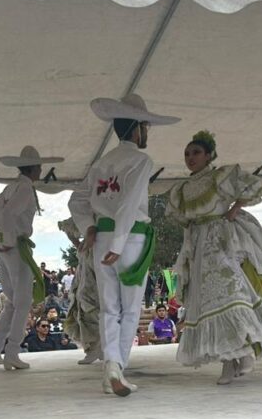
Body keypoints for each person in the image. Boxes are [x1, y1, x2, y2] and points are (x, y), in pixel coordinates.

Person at [167, 131, 262, 383]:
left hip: (223, 241)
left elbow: (255, 185)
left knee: (234, 293)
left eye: (196, 152)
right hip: (199, 246)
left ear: (209, 155)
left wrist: (235, 207)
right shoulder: (182, 189)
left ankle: (245, 351)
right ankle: (227, 362)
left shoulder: (221, 176)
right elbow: (181, 218)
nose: (191, 157)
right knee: (210, 303)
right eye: (187, 154)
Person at [68, 93, 179, 396]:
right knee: (129, 309)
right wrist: (119, 240)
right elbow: (129, 203)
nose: (147, 132)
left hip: (102, 238)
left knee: (109, 308)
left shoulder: (101, 163)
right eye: (145, 126)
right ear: (136, 129)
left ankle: (111, 368)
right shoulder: (141, 160)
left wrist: (89, 227)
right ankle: (117, 368)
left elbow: (76, 200)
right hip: (129, 237)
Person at [0, 145, 63, 371]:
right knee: (23, 300)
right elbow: (6, 215)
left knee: (13, 300)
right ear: (35, 168)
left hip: (6, 247)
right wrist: (7, 241)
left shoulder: (12, 187)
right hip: (15, 246)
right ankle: (12, 352)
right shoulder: (24, 188)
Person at [58, 217, 103, 365]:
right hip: (83, 280)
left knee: (93, 312)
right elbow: (69, 230)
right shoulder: (85, 244)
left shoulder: (100, 242)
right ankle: (93, 348)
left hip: (93, 282)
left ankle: (98, 348)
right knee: (82, 312)